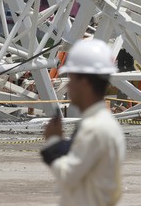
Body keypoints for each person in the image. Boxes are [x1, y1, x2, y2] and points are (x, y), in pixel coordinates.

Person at [41, 38, 126, 206]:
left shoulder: (94, 128)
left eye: (71, 80)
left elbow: (67, 175)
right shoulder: (105, 123)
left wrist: (53, 142)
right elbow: (84, 158)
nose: (68, 87)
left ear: (84, 83)